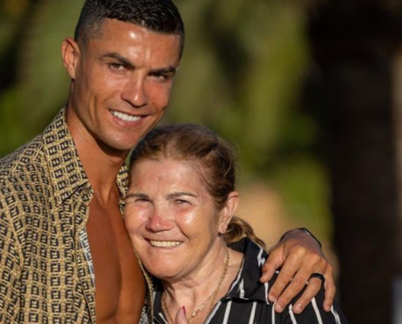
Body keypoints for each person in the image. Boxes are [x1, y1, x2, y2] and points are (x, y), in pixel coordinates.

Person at [0, 0, 334, 324]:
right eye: (118, 66)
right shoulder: (4, 207)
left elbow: (212, 253)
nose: (137, 96)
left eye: (158, 75)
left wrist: (300, 242)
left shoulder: (137, 197)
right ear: (72, 58)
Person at [125, 124, 347, 324]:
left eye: (181, 201)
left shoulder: (288, 297)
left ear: (225, 211)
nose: (156, 223)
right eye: (142, 200)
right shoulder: (121, 294)